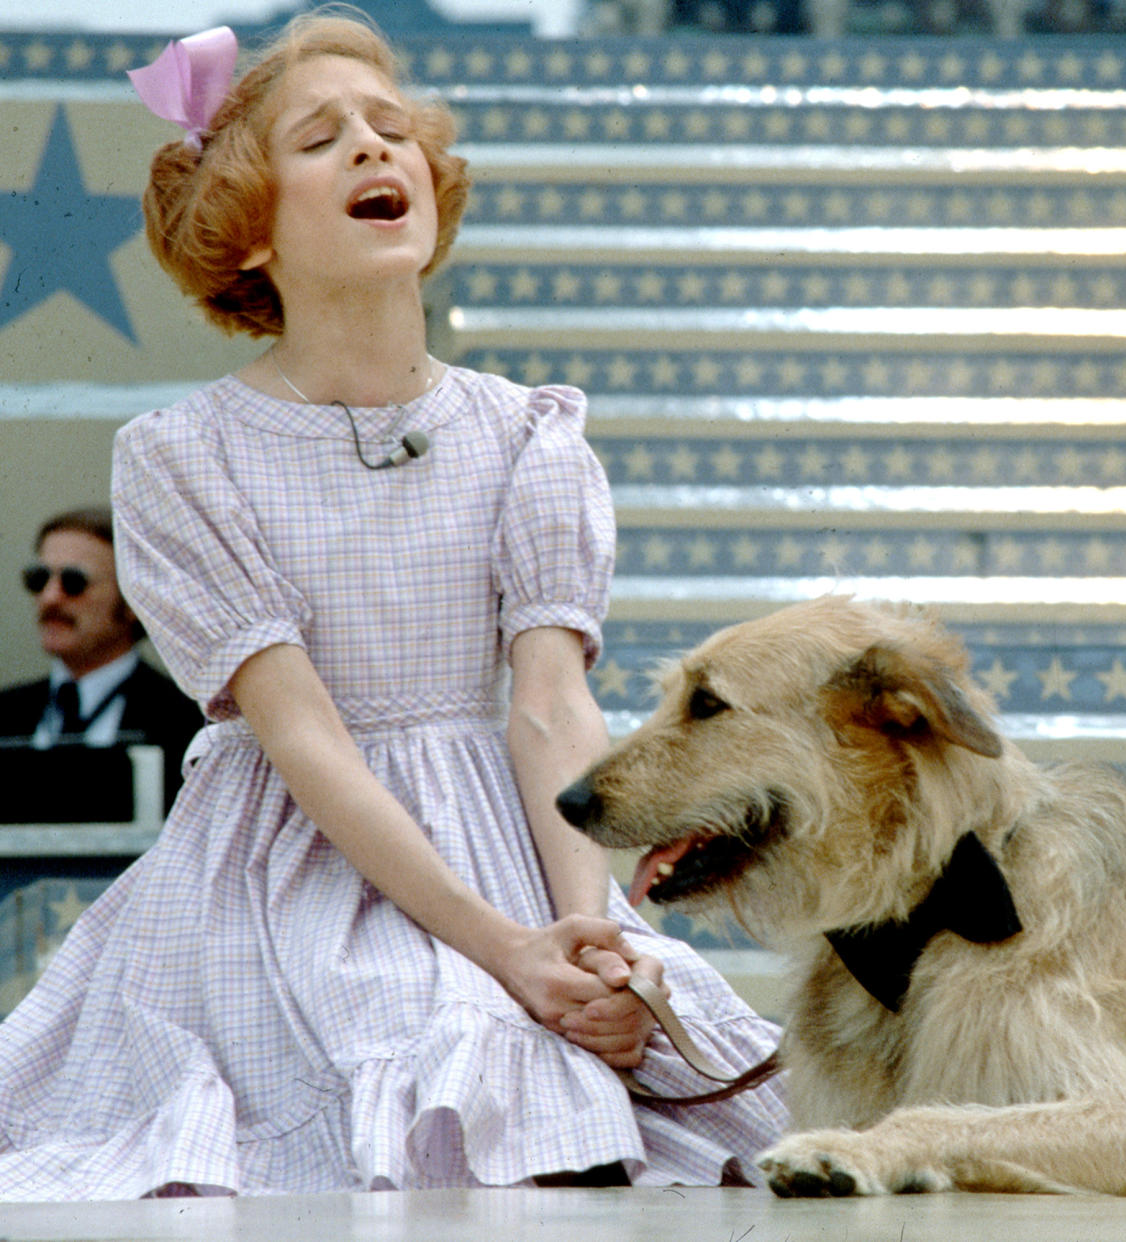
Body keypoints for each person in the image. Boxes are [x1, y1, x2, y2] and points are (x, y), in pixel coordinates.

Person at [0, 13, 786, 1200]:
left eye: (393, 128)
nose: (377, 150)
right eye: (322, 139)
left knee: (583, 1077)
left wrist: (590, 938)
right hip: (291, 866)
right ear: (249, 232)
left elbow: (551, 703)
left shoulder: (528, 433)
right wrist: (506, 951)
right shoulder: (182, 456)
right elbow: (304, 735)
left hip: (513, 843)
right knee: (429, 1050)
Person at [0, 506, 203, 821]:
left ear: (134, 600)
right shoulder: (7, 713)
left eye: (74, 581)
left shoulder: (186, 722)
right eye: (39, 579)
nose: (50, 598)